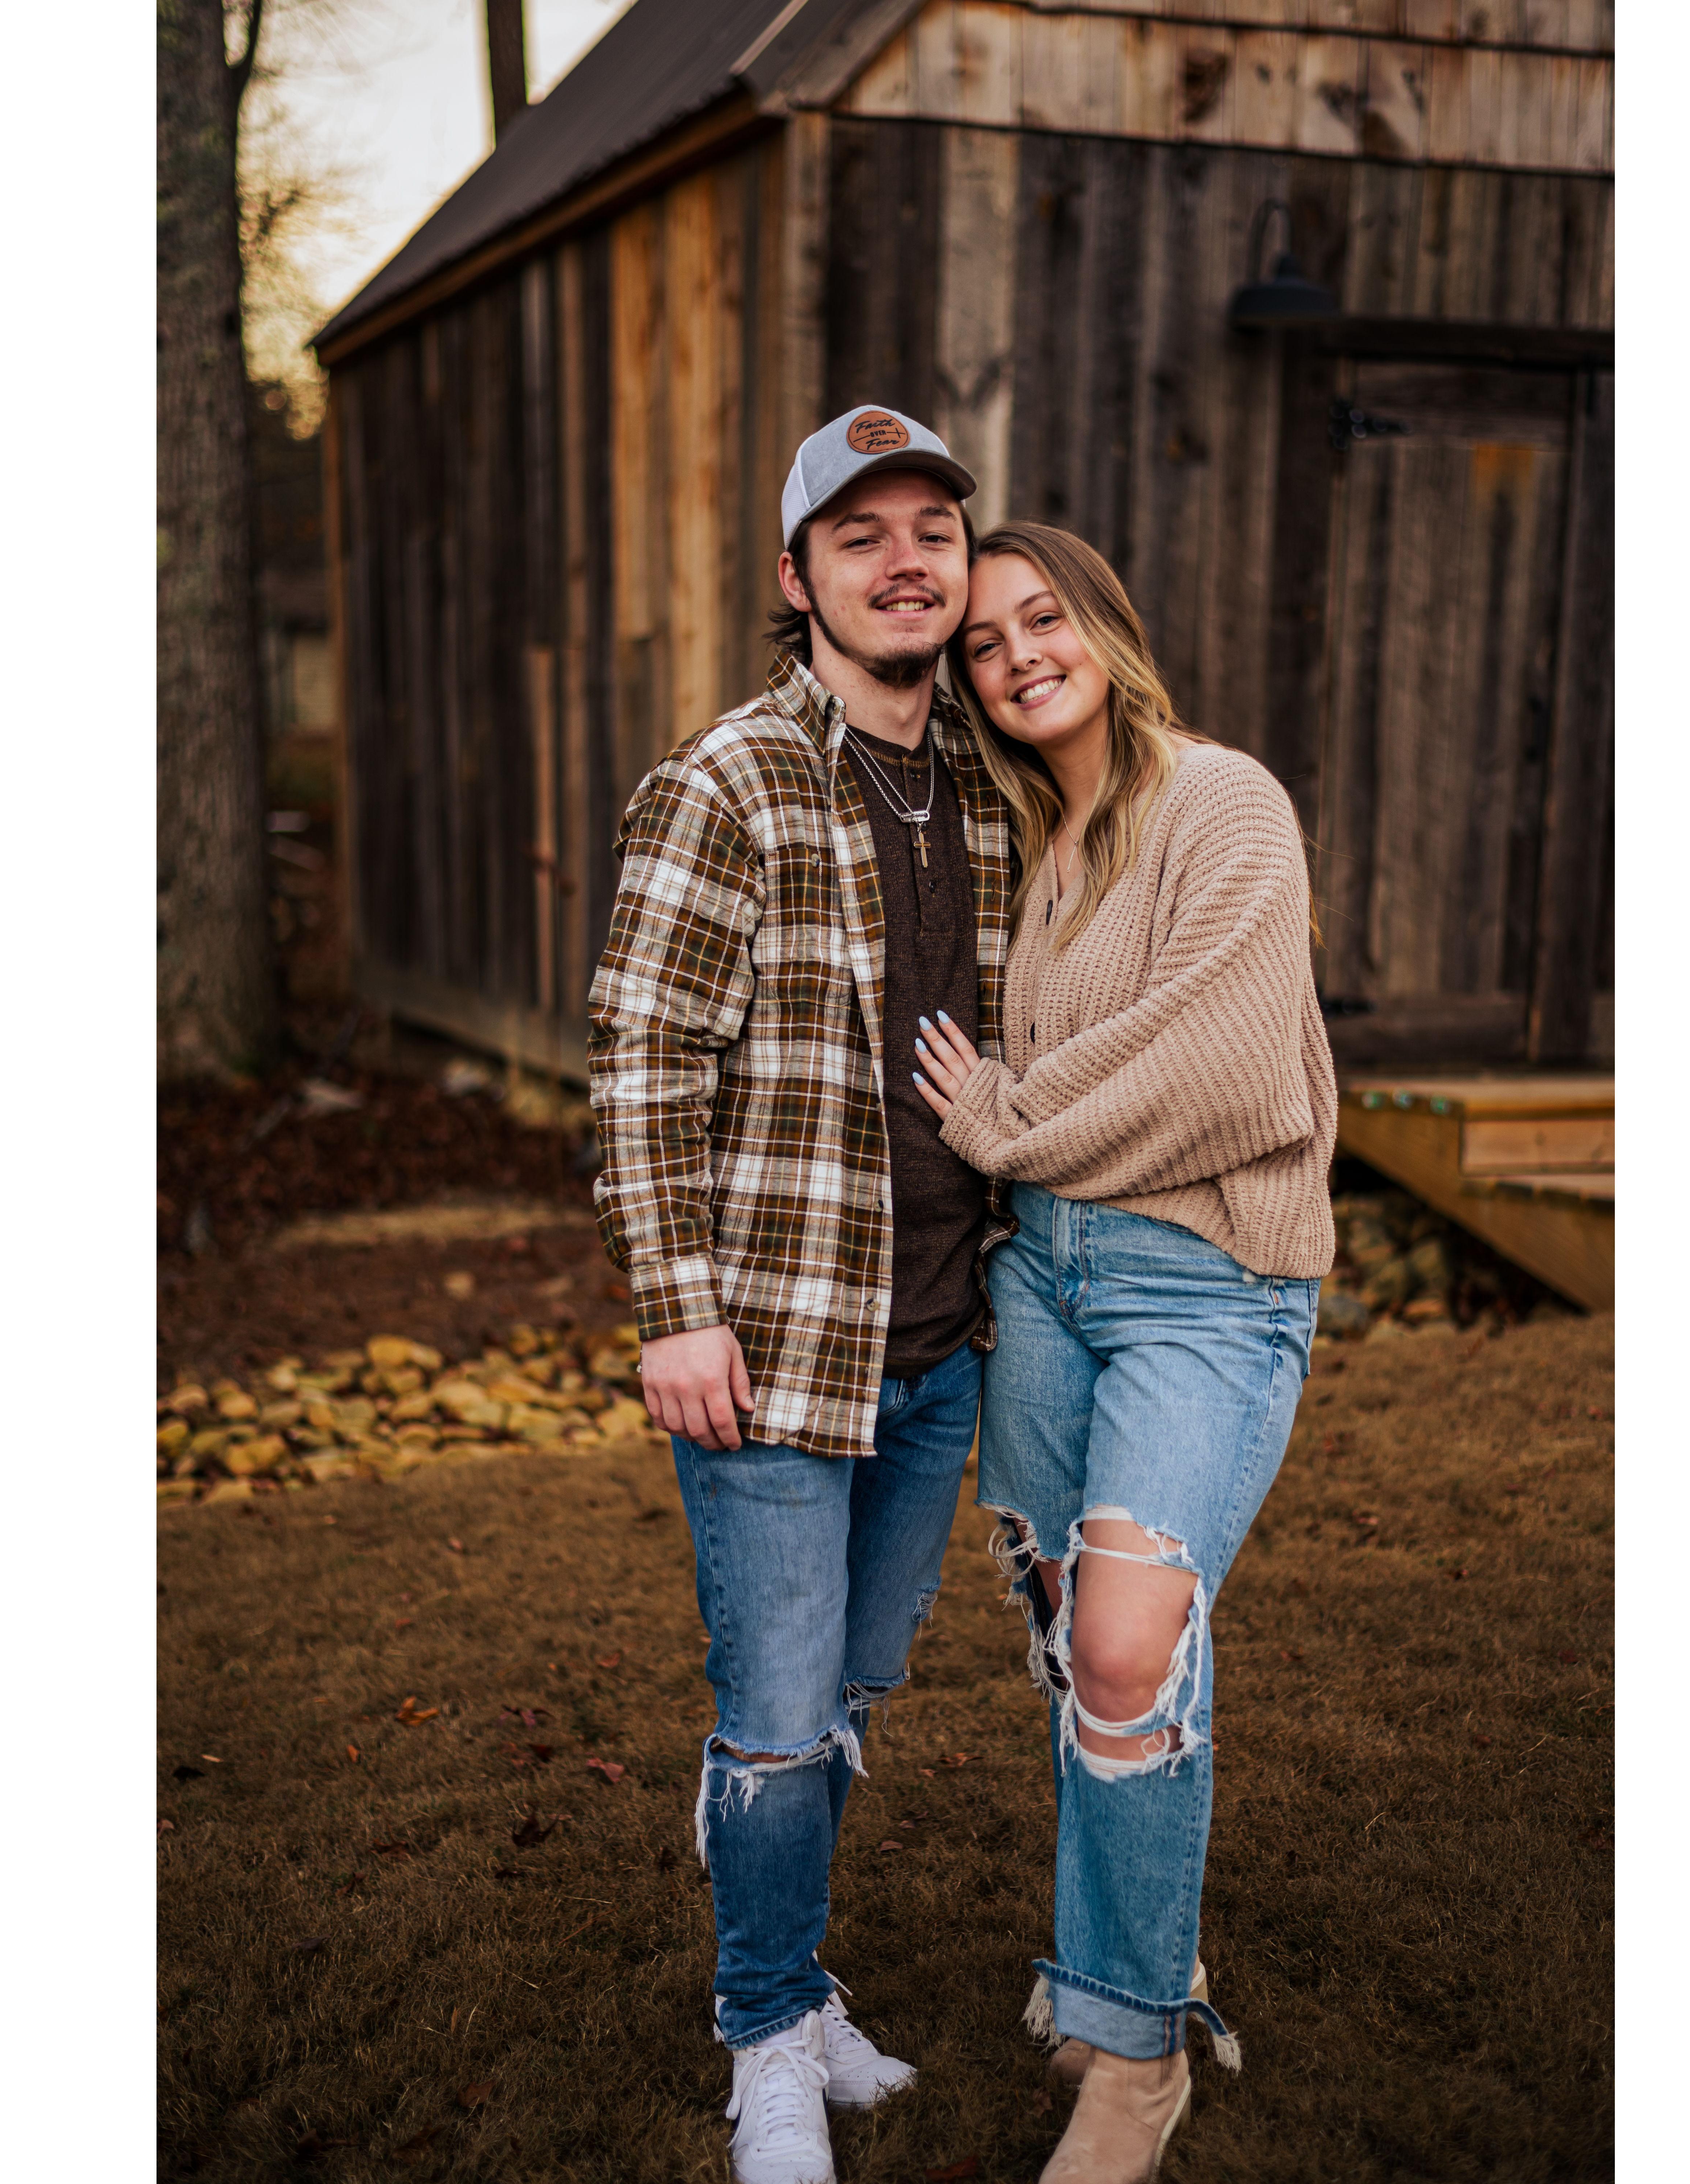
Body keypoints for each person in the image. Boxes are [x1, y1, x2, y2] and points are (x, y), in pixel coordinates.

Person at [588, 404, 1015, 2184]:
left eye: (933, 531)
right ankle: (767, 2032)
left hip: (943, 1341)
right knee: (776, 1713)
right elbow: (642, 1061)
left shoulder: (992, 785)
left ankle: (789, 1946)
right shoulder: (730, 783)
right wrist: (675, 1306)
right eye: (861, 536)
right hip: (772, 1350)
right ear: (797, 575)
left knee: (849, 1690)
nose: (906, 561)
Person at [911, 522, 1337, 2183]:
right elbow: (1104, 1067)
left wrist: (1004, 1121)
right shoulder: (1044, 847)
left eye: (1043, 618)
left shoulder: (1222, 801)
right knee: (1072, 1645)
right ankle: (1134, 1959)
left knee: (1128, 1640)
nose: (1019, 654)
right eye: (984, 644)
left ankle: (1138, 2058)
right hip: (1048, 1286)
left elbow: (1219, 1063)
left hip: (1202, 1287)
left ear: (1103, 622)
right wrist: (1019, 1151)